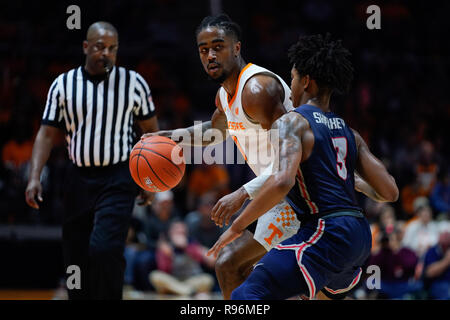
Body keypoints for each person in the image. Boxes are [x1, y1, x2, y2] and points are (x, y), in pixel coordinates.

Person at [208, 33, 399, 300]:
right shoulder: (349, 131)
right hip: (359, 237)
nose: (291, 85)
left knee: (246, 296)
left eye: (293, 77)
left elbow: (282, 181)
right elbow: (390, 192)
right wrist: (352, 182)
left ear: (306, 81)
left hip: (326, 232)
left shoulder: (294, 122)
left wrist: (238, 226)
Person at [143, 14, 301, 299]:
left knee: (232, 264)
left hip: (299, 190)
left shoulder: (258, 89)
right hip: (278, 192)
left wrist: (241, 193)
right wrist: (166, 137)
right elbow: (213, 133)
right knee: (239, 268)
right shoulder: (224, 95)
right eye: (204, 50)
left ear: (237, 48)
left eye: (218, 47)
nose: (210, 55)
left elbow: (293, 159)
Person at [24, 22, 159, 300]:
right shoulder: (63, 84)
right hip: (78, 178)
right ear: (86, 47)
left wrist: (148, 177)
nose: (106, 53)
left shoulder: (133, 83)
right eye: (99, 47)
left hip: (120, 176)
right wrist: (35, 176)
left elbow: (153, 133)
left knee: (105, 248)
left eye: (112, 48)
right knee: (76, 255)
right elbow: (46, 134)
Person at [422, 230, 450, 299]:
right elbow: (429, 273)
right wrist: (446, 261)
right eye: (444, 235)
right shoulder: (432, 251)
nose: (446, 237)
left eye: (448, 236)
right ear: (439, 238)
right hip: (436, 284)